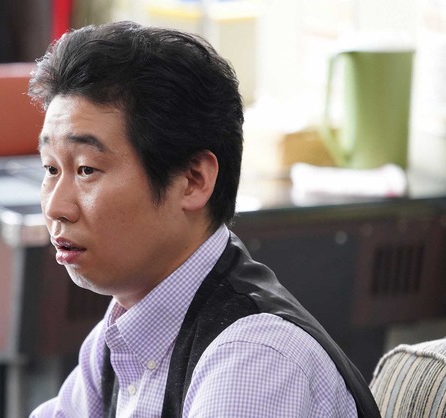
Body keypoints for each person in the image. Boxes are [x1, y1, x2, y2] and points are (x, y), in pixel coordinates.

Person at [28, 21, 380, 417]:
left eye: (87, 169)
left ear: (193, 180)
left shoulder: (253, 361)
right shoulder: (117, 340)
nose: (56, 207)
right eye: (51, 168)